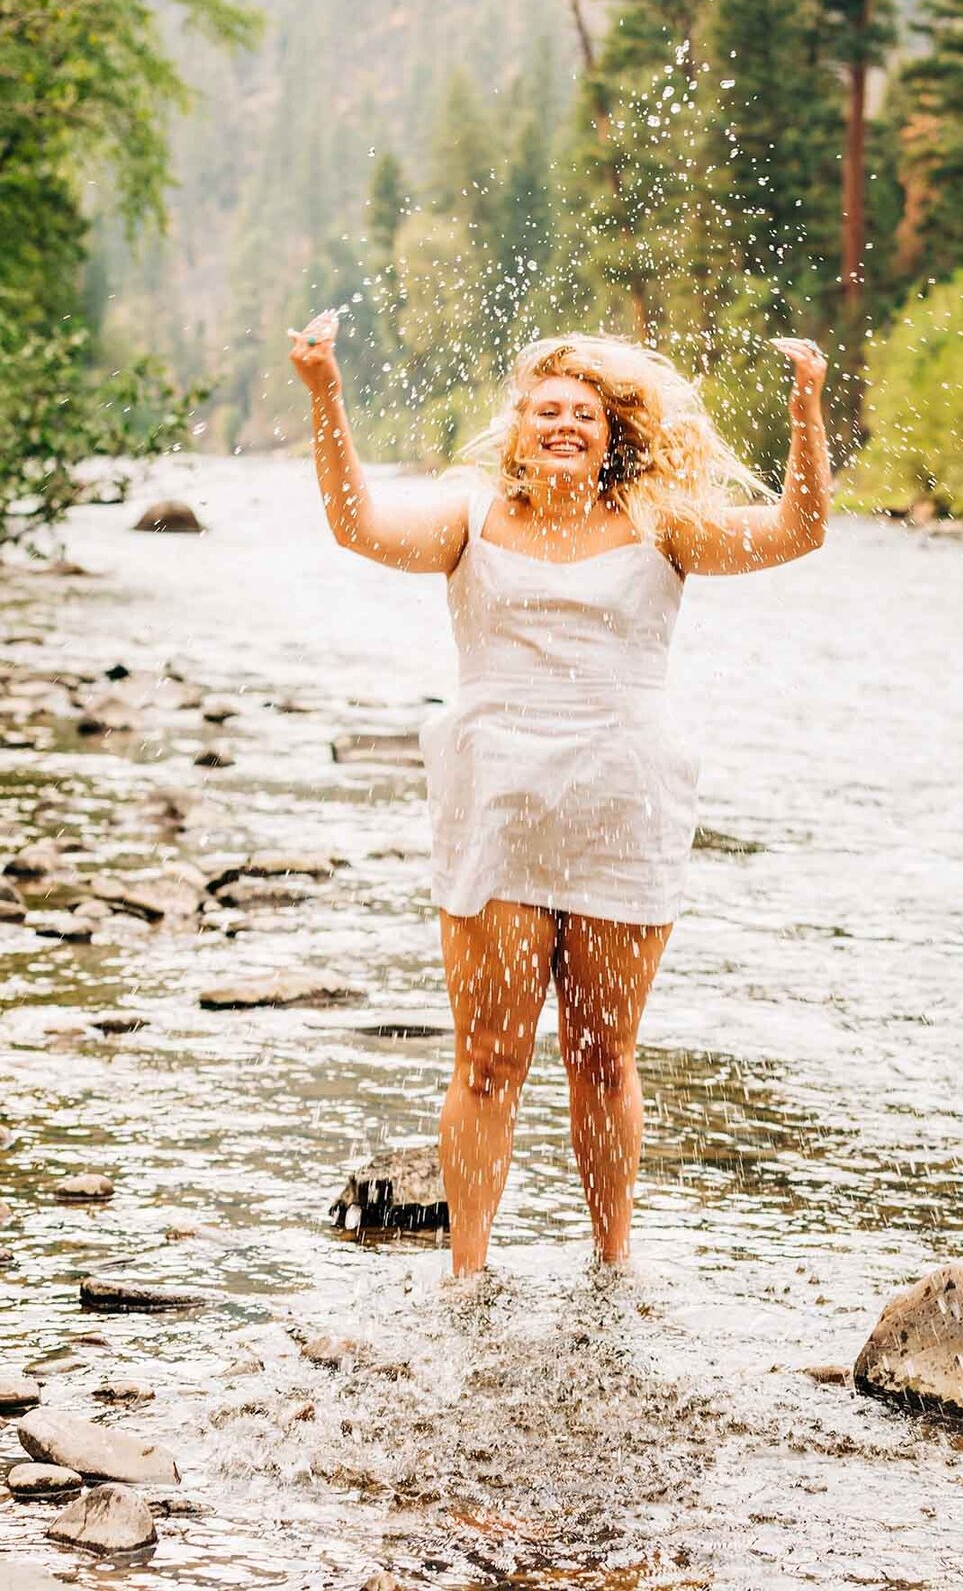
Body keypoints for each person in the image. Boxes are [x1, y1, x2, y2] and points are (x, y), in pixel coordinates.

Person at [288, 317, 830, 1276]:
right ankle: (467, 1274)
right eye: (546, 411)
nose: (564, 423)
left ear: (612, 432)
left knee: (604, 1055)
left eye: (583, 412)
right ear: (518, 427)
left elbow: (797, 532)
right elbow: (354, 526)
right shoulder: (469, 516)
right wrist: (326, 391)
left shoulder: (663, 524)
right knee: (489, 1059)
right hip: (497, 811)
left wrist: (805, 416)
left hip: (622, 812)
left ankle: (612, 1266)